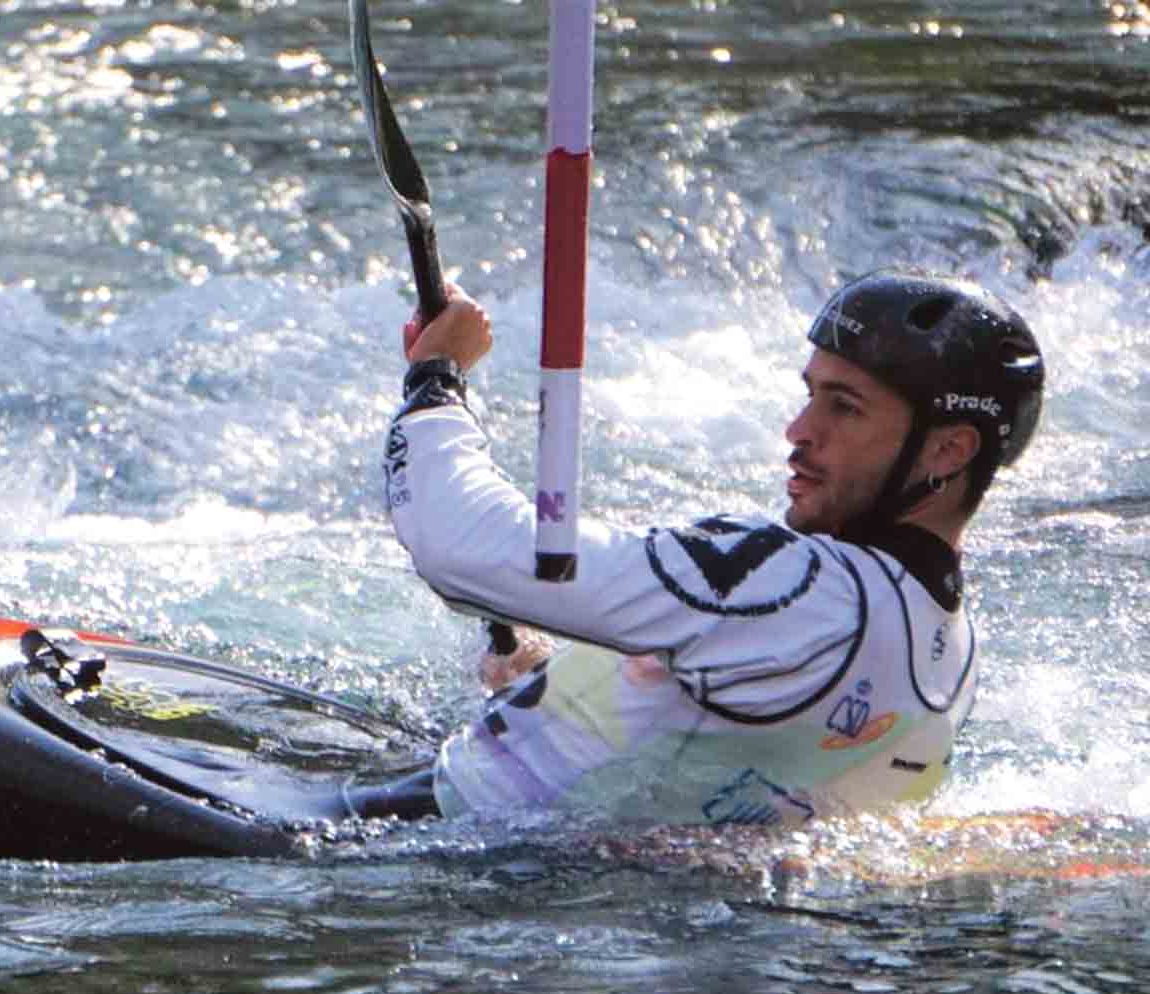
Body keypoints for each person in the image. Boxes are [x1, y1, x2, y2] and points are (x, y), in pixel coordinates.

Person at [367, 270, 1045, 826]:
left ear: (949, 449)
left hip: (424, 837)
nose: (798, 430)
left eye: (844, 407)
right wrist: (554, 671)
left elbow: (456, 543)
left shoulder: (788, 584)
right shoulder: (949, 668)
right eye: (810, 396)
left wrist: (437, 375)